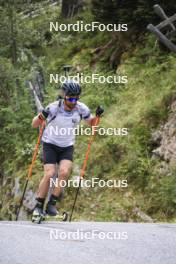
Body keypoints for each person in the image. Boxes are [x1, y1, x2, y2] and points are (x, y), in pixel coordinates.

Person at [31, 80, 104, 218]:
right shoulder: (53, 108)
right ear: (64, 96)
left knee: (64, 172)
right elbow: (35, 124)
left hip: (67, 145)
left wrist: (98, 116)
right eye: (71, 98)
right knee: (49, 173)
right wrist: (42, 116)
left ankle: (51, 204)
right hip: (50, 144)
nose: (73, 102)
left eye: (76, 98)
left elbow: (92, 124)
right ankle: (38, 205)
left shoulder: (81, 108)